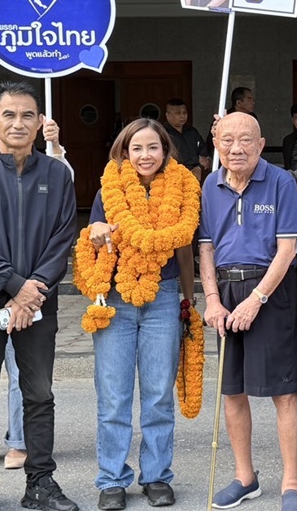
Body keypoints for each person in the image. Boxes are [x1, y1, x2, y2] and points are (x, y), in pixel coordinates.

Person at [0, 81, 79, 511]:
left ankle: (40, 483)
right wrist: (12, 286)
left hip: (38, 300)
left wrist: (30, 291)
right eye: (9, 115)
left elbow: (62, 238)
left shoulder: (56, 174)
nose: (18, 123)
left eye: (27, 115)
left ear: (40, 122)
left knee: (39, 394)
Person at [81, 118, 199, 511]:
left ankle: (157, 476)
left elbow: (185, 248)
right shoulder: (108, 189)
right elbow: (94, 236)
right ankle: (112, 479)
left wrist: (187, 299)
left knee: (159, 394)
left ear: (165, 150)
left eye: (153, 147)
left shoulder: (183, 188)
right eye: (137, 148)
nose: (145, 155)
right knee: (114, 396)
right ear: (124, 152)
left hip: (163, 298)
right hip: (116, 299)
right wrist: (97, 231)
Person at [200, 113, 297, 511]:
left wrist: (257, 298)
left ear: (261, 144)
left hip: (271, 291)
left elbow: (287, 249)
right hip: (226, 290)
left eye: (246, 140)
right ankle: (245, 477)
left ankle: (291, 481)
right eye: (227, 140)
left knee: (283, 391)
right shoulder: (210, 184)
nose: (236, 148)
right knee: (232, 390)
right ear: (217, 144)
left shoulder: (281, 182)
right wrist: (212, 299)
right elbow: (206, 247)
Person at [0, 118, 74, 473]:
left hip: (32, 293)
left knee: (25, 376)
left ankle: (20, 441)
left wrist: (25, 290)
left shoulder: (42, 180)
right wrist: (5, 284)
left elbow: (64, 184)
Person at [163, 98, 211, 180]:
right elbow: (172, 157)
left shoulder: (192, 131)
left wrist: (199, 167)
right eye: (178, 113)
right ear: (168, 116)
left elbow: (203, 151)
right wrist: (197, 159)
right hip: (175, 177)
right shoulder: (164, 134)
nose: (182, 116)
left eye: (184, 112)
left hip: (198, 175)